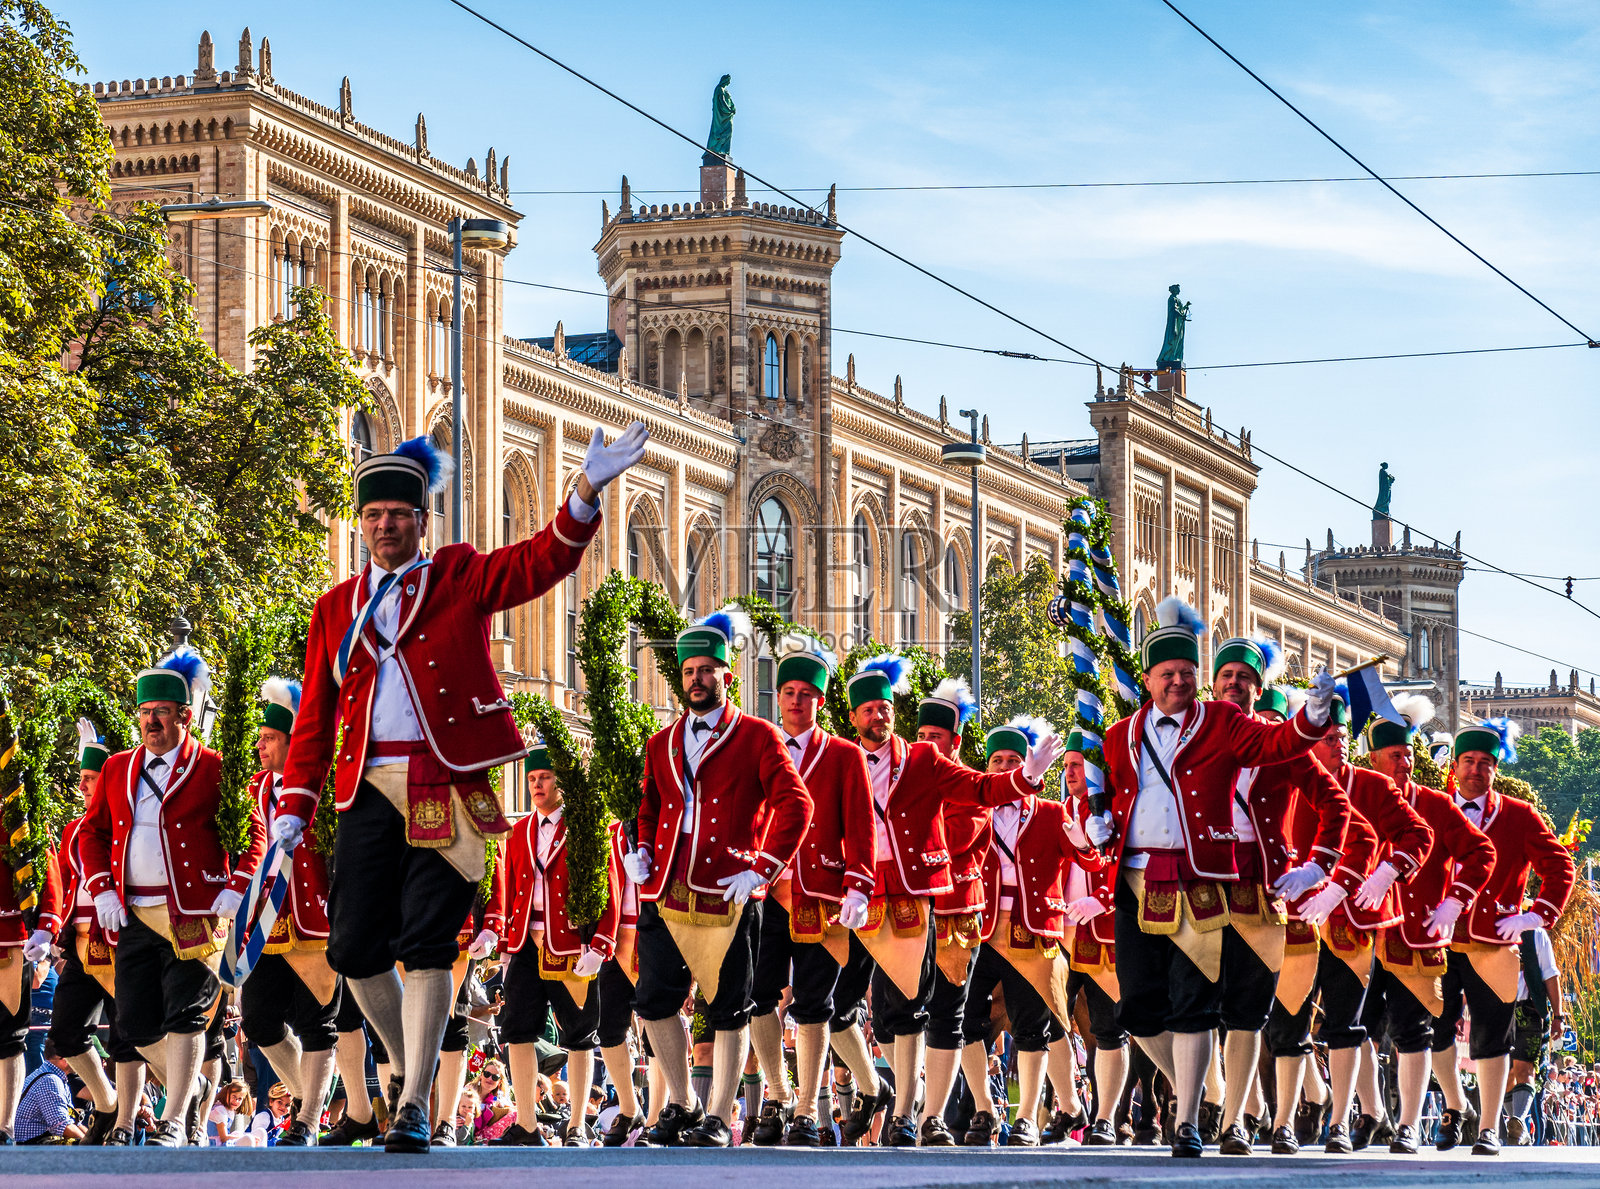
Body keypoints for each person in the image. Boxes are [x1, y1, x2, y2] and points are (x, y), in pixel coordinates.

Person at [277, 423, 645, 1153]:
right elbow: (315, 717)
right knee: (352, 948)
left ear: (422, 521)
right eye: (374, 515)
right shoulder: (333, 608)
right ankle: (413, 1067)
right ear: (362, 524)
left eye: (399, 516)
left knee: (426, 944)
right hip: (364, 786)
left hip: (442, 779)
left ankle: (413, 1100)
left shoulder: (454, 575)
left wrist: (582, 491)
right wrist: (295, 804)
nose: (386, 526)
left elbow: (536, 564)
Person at [1081, 597, 1338, 1157]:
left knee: (1199, 1003)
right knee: (1139, 1010)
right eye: (1168, 674)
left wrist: (1313, 718)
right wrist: (1098, 824)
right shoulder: (1120, 734)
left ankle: (1192, 1117)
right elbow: (1119, 798)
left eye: (1187, 674)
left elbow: (1277, 744)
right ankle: (1200, 1090)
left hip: (1202, 877)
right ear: (1148, 680)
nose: (1179, 682)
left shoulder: (1222, 721)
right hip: (1135, 877)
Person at [846, 654, 1061, 1148]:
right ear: (855, 716)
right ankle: (882, 1092)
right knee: (885, 1011)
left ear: (954, 742)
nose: (927, 742)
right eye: (868, 709)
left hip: (955, 909)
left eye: (936, 736)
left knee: (950, 1013)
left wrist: (1026, 778)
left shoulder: (933, 769)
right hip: (889, 903)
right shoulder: (851, 760)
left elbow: (976, 805)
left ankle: (928, 1116)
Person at [623, 607, 814, 1148]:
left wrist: (760, 867)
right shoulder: (660, 742)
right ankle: (681, 1104)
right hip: (667, 890)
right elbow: (651, 804)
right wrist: (641, 850)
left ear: (727, 675)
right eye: (688, 672)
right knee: (654, 1000)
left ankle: (720, 1114)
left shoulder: (757, 735)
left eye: (707, 670)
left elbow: (796, 805)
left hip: (729, 894)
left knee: (730, 1005)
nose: (697, 680)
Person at [80, 645, 267, 1146]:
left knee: (186, 1014)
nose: (150, 722)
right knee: (134, 1024)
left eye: (160, 712)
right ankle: (195, 1085)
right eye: (144, 712)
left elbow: (254, 833)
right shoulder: (118, 768)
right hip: (134, 912)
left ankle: (174, 1118)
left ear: (185, 715)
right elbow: (91, 835)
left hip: (196, 912)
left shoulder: (213, 766)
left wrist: (235, 886)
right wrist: (102, 891)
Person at [1269, 687, 1432, 1154]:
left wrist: (1385, 872)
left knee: (1347, 1024)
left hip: (1352, 924)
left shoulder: (1372, 786)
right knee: (1288, 1023)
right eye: (1327, 735)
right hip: (1296, 921)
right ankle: (1284, 1120)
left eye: (1341, 736)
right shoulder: (1282, 781)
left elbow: (1416, 834)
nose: (1338, 742)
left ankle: (1340, 1120)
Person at [1207, 639, 1352, 1156]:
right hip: (1202, 890)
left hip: (1270, 893)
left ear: (1259, 688)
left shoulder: (1284, 745)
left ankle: (1277, 1120)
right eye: (1226, 675)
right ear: (1212, 681)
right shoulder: (1192, 737)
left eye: (1244, 678)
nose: (1234, 684)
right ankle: (1230, 1108)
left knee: (1281, 1014)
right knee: (1196, 1010)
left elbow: (1336, 806)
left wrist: (1318, 864)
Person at [744, 639, 876, 1147]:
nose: (797, 701)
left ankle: (804, 1109)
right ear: (777, 698)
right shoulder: (761, 746)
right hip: (768, 893)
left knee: (814, 1004)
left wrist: (858, 884)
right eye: (789, 692)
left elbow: (861, 826)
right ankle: (776, 1095)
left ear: (821, 702)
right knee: (760, 998)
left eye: (807, 694)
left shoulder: (844, 755)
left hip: (822, 893)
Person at [1430, 718, 1573, 1156]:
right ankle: (1455, 1107)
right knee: (1433, 1032)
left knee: (1494, 1034)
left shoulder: (1518, 816)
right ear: (1454, 767)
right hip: (1435, 938)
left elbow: (1560, 868)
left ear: (1496, 769)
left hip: (1493, 939)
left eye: (1486, 763)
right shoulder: (1431, 808)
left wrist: (1534, 917)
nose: (1476, 769)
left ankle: (1490, 1126)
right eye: (1469, 761)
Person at [1361, 696, 1494, 1155]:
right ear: (1374, 759)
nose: (1405, 763)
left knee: (1413, 1030)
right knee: (1353, 1026)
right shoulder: (1352, 796)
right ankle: (1367, 1110)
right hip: (1357, 933)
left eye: (1409, 755)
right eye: (1395, 755)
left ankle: (1410, 1125)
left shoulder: (1435, 806)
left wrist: (1454, 902)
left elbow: (1482, 853)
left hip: (1414, 934)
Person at [962, 717, 1089, 1147]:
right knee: (962, 1020)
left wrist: (1085, 840)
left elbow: (1088, 862)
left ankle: (1029, 1117)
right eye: (996, 760)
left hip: (1032, 930)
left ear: (1030, 765)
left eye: (1014, 759)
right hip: (978, 930)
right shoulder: (972, 810)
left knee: (1032, 1027)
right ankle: (983, 1109)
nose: (1003, 767)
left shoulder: (1053, 813)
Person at [497, 741, 616, 1146]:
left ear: (561, 781)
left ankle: (578, 1125)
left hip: (571, 945)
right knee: (517, 1031)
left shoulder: (585, 828)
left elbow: (608, 889)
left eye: (544, 777)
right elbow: (511, 885)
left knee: (580, 1034)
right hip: (525, 943)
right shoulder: (518, 832)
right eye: (531, 778)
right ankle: (526, 1123)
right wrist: (504, 941)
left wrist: (600, 944)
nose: (537, 785)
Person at [239, 677, 341, 1146]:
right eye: (259, 738)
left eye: (269, 738)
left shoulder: (322, 783)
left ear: (291, 742)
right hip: (263, 926)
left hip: (315, 921)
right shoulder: (249, 793)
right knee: (258, 1021)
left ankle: (308, 1121)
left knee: (318, 1023)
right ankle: (309, 1099)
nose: (260, 745)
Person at [48, 718, 133, 1144]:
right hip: (82, 947)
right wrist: (51, 932)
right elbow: (64, 887)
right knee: (65, 1031)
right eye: (81, 779)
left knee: (129, 1036)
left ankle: (135, 1119)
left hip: (118, 942)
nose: (83, 787)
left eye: (92, 779)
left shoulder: (124, 823)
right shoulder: (70, 830)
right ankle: (106, 1101)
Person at [1507, 925, 1561, 1146]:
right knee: (1505, 1072)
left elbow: (1550, 973)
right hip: (1497, 1009)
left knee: (1524, 1067)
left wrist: (1559, 1015)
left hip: (1530, 1008)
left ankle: (1518, 1122)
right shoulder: (1486, 924)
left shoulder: (1536, 934)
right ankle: (1516, 1124)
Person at [12, 1041, 84, 1144]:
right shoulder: (50, 1080)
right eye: (77, 1055)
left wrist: (96, 1141)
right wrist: (94, 1147)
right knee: (75, 1145)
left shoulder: (53, 1076)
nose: (81, 1060)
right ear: (64, 1058)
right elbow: (62, 1125)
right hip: (28, 1147)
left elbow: (73, 1122)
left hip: (33, 1143)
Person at [208, 1079, 252, 1145]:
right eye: (234, 1096)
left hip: (221, 1143)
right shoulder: (220, 1110)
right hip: (214, 1145)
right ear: (226, 1094)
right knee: (247, 1139)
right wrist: (241, 1137)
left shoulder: (229, 1110)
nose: (236, 1101)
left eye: (239, 1099)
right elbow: (224, 1137)